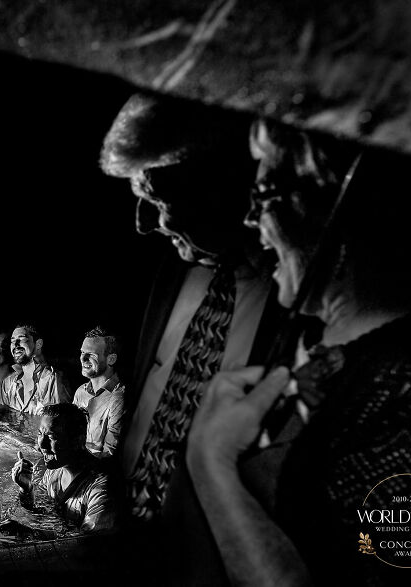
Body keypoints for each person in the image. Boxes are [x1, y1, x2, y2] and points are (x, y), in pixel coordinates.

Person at [186, 119, 411, 585]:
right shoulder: (314, 341)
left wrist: (210, 464)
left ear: (328, 219)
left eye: (264, 198)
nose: (249, 219)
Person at [99, 93, 279, 526]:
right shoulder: (165, 267)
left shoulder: (300, 302)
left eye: (158, 198)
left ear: (219, 187)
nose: (143, 225)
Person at [10, 403, 116, 533]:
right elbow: (39, 511)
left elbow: (86, 541)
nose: (41, 445)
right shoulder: (54, 470)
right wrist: (26, 488)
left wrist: (29, 533)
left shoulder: (101, 487)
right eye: (40, 434)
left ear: (77, 440)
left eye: (51, 437)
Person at [0, 325, 70, 421]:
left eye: (22, 339)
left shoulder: (52, 379)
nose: (16, 344)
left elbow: (60, 424)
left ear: (38, 344)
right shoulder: (8, 382)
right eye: (12, 341)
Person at [73, 327, 125, 459]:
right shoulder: (81, 392)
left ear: (111, 359)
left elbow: (109, 455)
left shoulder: (118, 398)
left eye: (91, 354)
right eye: (82, 352)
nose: (83, 358)